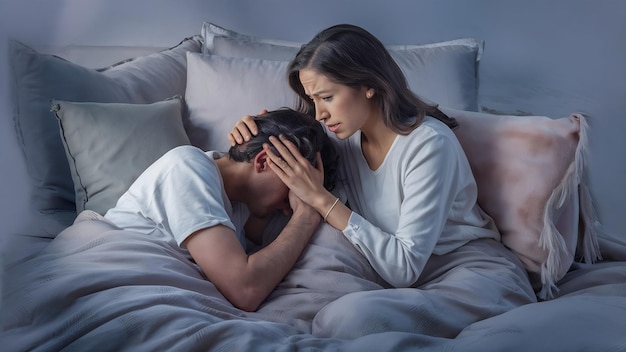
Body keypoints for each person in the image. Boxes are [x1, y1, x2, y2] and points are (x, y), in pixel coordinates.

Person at [228, 24, 537, 337]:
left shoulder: (429, 145)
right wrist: (249, 134)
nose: (319, 113)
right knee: (317, 317)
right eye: (313, 99)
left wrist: (322, 199)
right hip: (402, 284)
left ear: (367, 85)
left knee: (351, 318)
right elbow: (275, 171)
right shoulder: (344, 139)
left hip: (471, 277)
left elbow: (403, 267)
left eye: (327, 97)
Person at [105, 108, 338, 312]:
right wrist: (307, 215)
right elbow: (245, 291)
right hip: (114, 275)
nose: (289, 208)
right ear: (264, 162)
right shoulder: (188, 168)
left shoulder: (239, 205)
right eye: (293, 187)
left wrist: (316, 197)